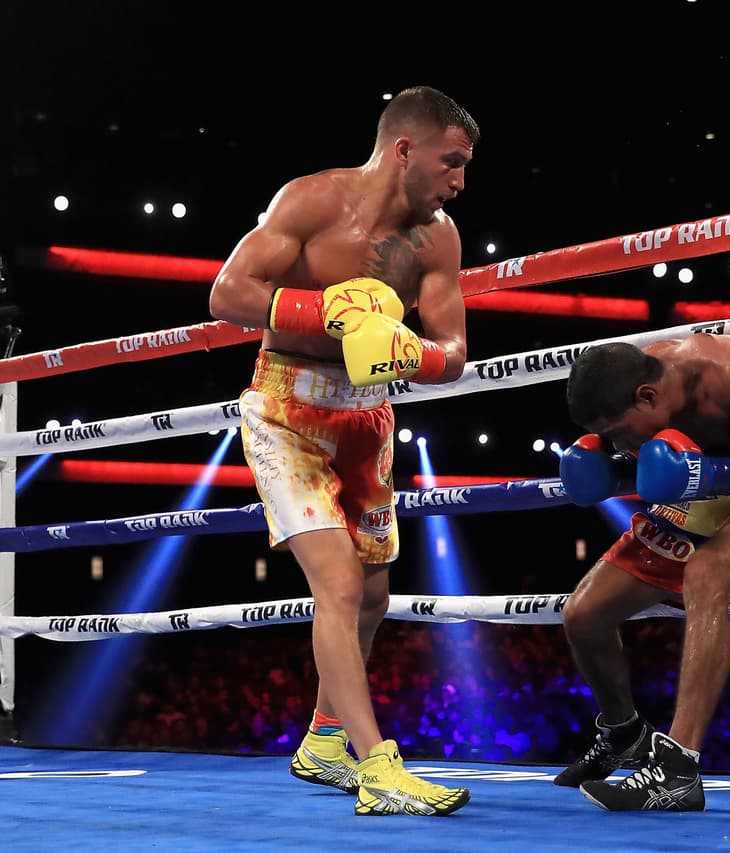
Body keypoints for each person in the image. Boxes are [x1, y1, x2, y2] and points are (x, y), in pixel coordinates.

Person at [207, 85, 479, 817]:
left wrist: (406, 349)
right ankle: (379, 767)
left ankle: (324, 741)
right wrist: (326, 312)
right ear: (404, 149)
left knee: (376, 594)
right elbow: (228, 292)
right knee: (339, 584)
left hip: (368, 422)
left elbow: (453, 352)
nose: (458, 182)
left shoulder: (440, 239)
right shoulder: (312, 200)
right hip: (285, 408)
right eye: (450, 163)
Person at [554, 334, 730, 811]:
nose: (621, 445)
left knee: (706, 573)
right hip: (696, 492)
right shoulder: (636, 391)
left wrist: (703, 477)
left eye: (620, 432)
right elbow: (661, 468)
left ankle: (679, 769)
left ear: (648, 396)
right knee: (584, 614)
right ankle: (623, 733)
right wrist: (611, 472)